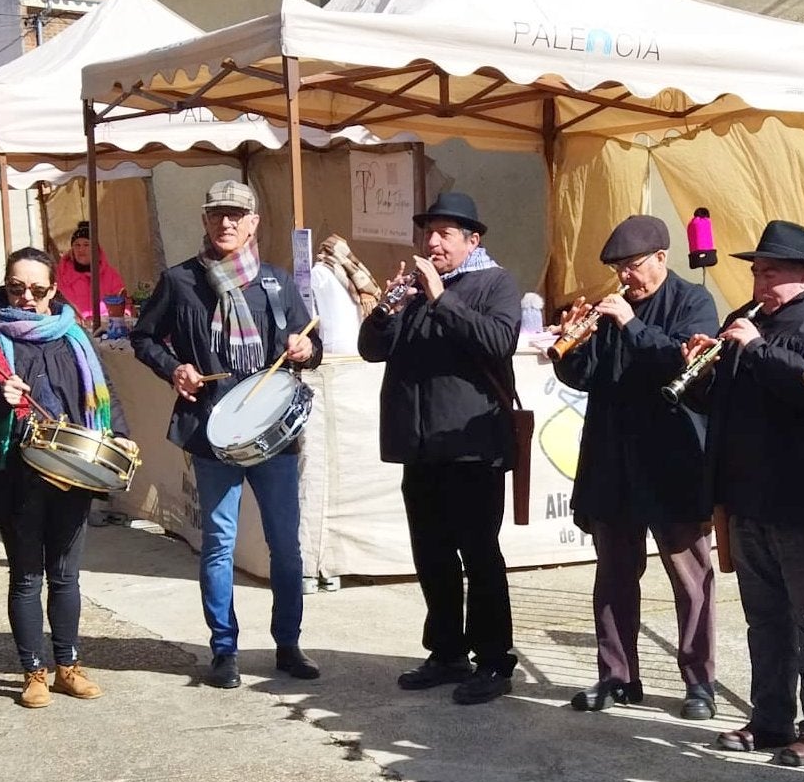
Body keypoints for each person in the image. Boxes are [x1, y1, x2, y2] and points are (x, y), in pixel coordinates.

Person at [131, 180, 322, 689]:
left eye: (237, 215)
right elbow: (144, 338)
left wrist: (305, 351)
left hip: (273, 436)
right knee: (219, 543)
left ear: (254, 222)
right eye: (218, 214)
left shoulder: (277, 283)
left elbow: (311, 344)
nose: (227, 223)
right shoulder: (180, 282)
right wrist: (174, 368)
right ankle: (224, 650)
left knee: (286, 545)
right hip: (211, 429)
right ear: (205, 220)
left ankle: (288, 643)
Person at [685, 220, 804, 767]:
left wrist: (755, 349)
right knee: (765, 616)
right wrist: (702, 370)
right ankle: (771, 719)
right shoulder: (744, 319)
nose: (760, 282)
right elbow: (725, 404)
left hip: (799, 493)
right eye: (756, 272)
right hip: (746, 492)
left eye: (772, 273)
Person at [551, 214, 720, 719]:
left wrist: (631, 323)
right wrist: (570, 347)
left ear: (662, 258)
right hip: (613, 461)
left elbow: (684, 362)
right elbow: (586, 378)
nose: (626, 275)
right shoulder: (609, 312)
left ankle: (699, 683)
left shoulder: (694, 301)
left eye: (635, 264)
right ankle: (617, 677)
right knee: (614, 576)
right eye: (619, 267)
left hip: (673, 462)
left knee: (691, 579)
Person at [358, 191, 522, 705]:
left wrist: (441, 297)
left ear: (472, 240)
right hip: (420, 445)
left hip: (473, 446)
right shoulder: (413, 289)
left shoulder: (495, 283)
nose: (432, 242)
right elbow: (370, 350)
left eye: (445, 233)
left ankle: (494, 661)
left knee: (479, 554)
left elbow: (498, 342)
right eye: (428, 232)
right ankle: (447, 651)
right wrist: (386, 312)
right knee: (431, 555)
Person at [0, 248, 130, 708]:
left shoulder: (74, 337)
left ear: (54, 290)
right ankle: (34, 672)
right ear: (6, 288)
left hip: (71, 474)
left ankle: (68, 667)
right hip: (14, 476)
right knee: (27, 578)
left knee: (66, 577)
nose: (27, 297)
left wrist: (120, 445)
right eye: (17, 289)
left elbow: (106, 397)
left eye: (38, 289)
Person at [59, 221, 131, 322]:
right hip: (73, 328)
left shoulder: (111, 275)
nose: (81, 249)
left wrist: (122, 315)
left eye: (86, 245)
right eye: (77, 245)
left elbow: (124, 304)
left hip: (106, 328)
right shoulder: (61, 275)